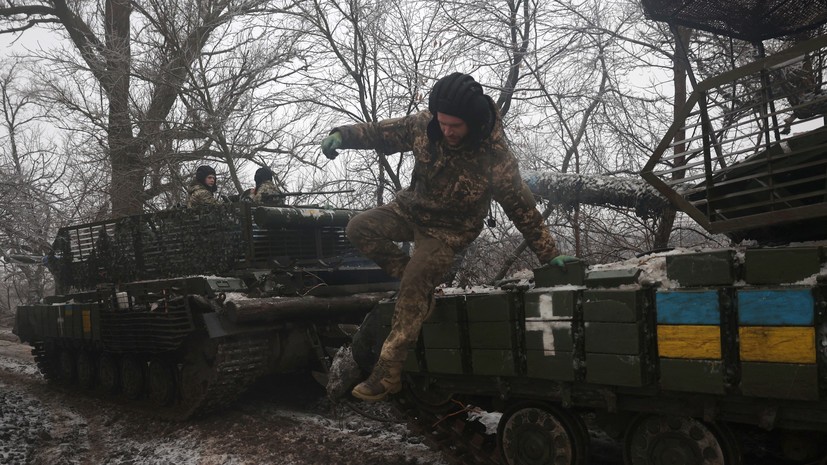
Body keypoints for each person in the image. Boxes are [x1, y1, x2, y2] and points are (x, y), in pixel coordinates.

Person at [321, 72, 577, 402]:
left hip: (448, 232)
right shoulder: (424, 125)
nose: (447, 131)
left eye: (455, 125)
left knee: (414, 283)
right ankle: (420, 291)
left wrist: (549, 253)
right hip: (411, 210)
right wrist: (342, 135)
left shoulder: (496, 158)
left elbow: (523, 210)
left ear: (473, 122)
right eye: (443, 123)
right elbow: (380, 132)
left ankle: (388, 371)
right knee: (358, 228)